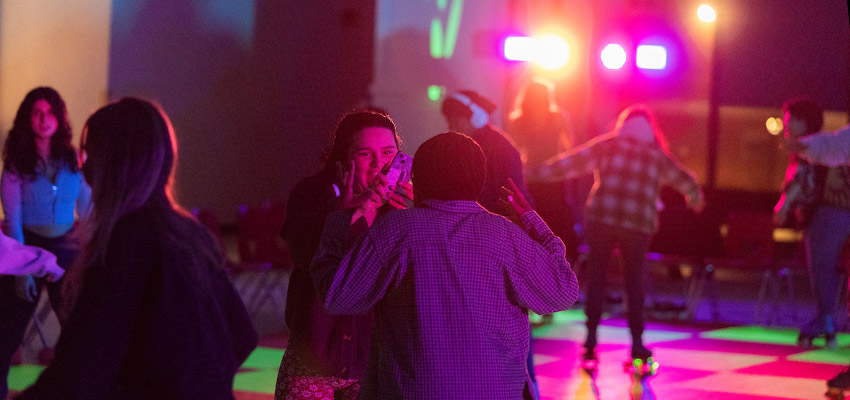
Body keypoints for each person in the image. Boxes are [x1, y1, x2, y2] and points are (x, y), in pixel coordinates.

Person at [14, 98, 257, 400]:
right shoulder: (192, 233)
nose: (84, 167)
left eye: (90, 155)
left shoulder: (128, 241)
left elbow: (79, 372)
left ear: (114, 164)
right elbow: (242, 336)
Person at [311, 131, 579, 399]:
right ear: (480, 181)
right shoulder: (504, 234)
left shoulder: (396, 231)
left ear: (418, 179)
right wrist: (534, 223)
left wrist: (342, 216)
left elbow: (337, 297)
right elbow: (563, 293)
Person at [531, 104, 704, 365]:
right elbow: (683, 179)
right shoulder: (654, 154)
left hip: (602, 217)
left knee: (597, 278)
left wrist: (531, 173)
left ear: (624, 124)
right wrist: (695, 197)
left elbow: (570, 163)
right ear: (649, 128)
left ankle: (590, 340)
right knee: (634, 282)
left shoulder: (609, 145)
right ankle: (637, 344)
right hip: (638, 223)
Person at [275, 110, 412, 400]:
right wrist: (348, 212)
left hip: (372, 357)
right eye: (365, 153)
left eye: (388, 152)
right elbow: (303, 252)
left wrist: (418, 216)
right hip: (315, 353)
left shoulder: (401, 206)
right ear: (344, 156)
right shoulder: (314, 192)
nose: (378, 163)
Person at [441, 90, 543, 395]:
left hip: (497, 245)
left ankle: (523, 388)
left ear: (472, 116)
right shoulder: (483, 145)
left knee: (508, 322)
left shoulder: (493, 148)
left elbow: (506, 199)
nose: (451, 126)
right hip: (491, 243)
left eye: (454, 119)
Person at [0, 87, 90, 399]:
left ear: (59, 117)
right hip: (27, 244)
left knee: (78, 327)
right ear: (27, 119)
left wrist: (89, 254)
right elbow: (12, 218)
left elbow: (87, 211)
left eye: (50, 112)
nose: (44, 119)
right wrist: (22, 269)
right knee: (9, 330)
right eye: (37, 113)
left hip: (67, 245)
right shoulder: (16, 162)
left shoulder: (74, 159)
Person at [773, 97, 850, 348]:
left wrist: (783, 206)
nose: (786, 125)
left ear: (803, 122)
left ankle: (825, 320)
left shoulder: (808, 148)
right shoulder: (825, 144)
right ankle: (827, 320)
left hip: (827, 212)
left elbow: (799, 181)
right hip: (833, 211)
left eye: (790, 120)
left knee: (822, 267)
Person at [507, 79, 589, 262]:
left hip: (530, 179)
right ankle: (559, 263)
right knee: (556, 223)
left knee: (533, 221)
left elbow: (514, 152)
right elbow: (571, 149)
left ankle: (535, 262)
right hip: (554, 178)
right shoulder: (558, 118)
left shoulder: (518, 121)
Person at [441, 90, 531, 214]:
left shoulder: (498, 147)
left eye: (455, 121)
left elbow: (503, 195)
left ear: (475, 118)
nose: (451, 127)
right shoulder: (473, 145)